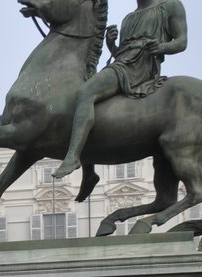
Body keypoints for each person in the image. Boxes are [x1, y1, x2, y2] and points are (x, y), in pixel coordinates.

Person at [52, 0, 189, 179]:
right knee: (90, 105)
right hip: (122, 63)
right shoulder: (129, 17)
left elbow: (182, 42)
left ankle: (72, 157)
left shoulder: (170, 5)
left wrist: (161, 47)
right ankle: (89, 172)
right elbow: (123, 54)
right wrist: (112, 45)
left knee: (86, 93)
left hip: (140, 67)